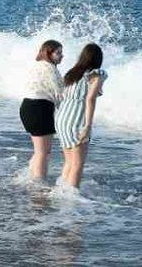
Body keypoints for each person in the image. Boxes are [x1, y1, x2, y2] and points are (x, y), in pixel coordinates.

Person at [54, 43, 107, 189]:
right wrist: (87, 126)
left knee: (69, 162)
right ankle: (71, 197)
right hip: (76, 120)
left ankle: (60, 190)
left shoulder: (72, 74)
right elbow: (90, 99)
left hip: (62, 119)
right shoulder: (98, 74)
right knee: (78, 164)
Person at [20, 40, 64, 181]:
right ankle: (38, 184)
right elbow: (60, 93)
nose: (62, 56)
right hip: (40, 109)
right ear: (48, 54)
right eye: (58, 53)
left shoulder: (36, 66)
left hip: (27, 107)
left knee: (39, 151)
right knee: (43, 152)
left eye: (61, 53)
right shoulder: (50, 68)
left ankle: (29, 177)